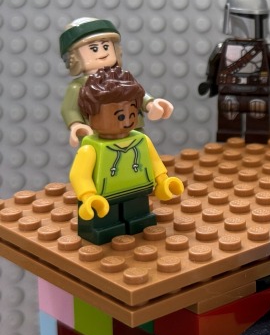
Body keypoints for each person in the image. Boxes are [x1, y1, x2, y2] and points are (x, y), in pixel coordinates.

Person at [69, 66, 184, 245]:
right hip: (104, 200)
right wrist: (88, 196)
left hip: (138, 191)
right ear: (91, 115)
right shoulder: (90, 149)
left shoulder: (141, 140)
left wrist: (163, 180)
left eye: (132, 113)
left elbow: (154, 161)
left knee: (138, 215)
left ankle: (138, 220)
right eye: (120, 117)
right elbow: (79, 175)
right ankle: (104, 228)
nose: (129, 120)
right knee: (105, 223)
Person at [60, 17, 173, 147]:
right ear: (75, 57)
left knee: (140, 152)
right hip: (97, 135)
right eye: (94, 49)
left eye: (106, 46)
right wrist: (77, 125)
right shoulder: (78, 86)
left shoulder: (122, 76)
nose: (103, 52)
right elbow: (69, 109)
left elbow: (137, 94)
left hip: (132, 129)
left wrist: (151, 105)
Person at [198, 0, 270, 143]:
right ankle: (229, 138)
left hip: (257, 90)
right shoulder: (223, 47)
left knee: (258, 115)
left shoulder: (266, 48)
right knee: (228, 115)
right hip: (230, 90)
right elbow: (213, 63)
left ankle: (257, 138)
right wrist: (210, 82)